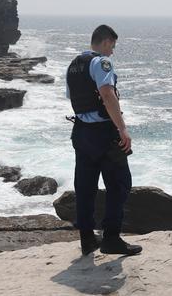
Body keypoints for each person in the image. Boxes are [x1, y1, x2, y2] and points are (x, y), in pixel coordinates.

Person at [65, 24, 142, 256]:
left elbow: (74, 98)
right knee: (120, 184)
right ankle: (111, 239)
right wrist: (122, 129)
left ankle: (87, 239)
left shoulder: (74, 66)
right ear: (106, 41)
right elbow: (107, 94)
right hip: (104, 134)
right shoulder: (101, 63)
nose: (112, 52)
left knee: (85, 186)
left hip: (81, 132)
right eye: (113, 46)